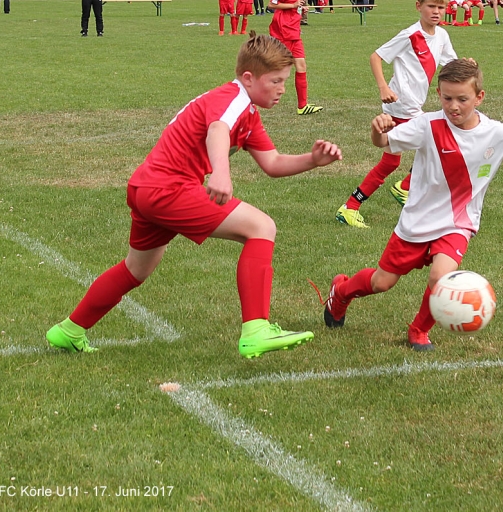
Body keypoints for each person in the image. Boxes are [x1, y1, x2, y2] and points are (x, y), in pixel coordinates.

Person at [46, 33, 342, 359]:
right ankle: (256, 329)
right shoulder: (233, 100)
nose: (283, 89)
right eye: (276, 81)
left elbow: (272, 163)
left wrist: (312, 160)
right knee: (262, 227)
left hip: (147, 188)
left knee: (136, 269)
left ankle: (69, 331)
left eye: (284, 81)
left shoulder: (247, 113)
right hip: (168, 188)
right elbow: (217, 130)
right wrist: (221, 172)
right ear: (248, 78)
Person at [322, 58, 503, 351]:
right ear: (438, 94)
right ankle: (341, 291)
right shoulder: (427, 125)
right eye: (447, 98)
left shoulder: (496, 133)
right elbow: (383, 143)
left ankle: (419, 330)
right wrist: (378, 130)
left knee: (441, 277)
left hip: (458, 222)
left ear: (479, 97)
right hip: (417, 221)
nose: (454, 106)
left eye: (462, 99)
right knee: (382, 283)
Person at [336, 0, 457, 229]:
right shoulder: (410, 35)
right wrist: (383, 87)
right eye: (431, 6)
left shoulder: (442, 36)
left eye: (441, 7)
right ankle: (372, 199)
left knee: (394, 161)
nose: (436, 12)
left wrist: (467, 65)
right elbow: (376, 57)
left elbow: (451, 64)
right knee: (439, 146)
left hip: (412, 107)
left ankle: (357, 204)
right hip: (401, 107)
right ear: (418, 6)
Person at [269, 0, 323, 115]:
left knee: (301, 66)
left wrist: (299, 9)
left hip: (294, 33)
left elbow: (291, 8)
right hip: (284, 33)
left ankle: (302, 106)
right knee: (276, 70)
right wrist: (293, 5)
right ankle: (252, 94)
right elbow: (272, 4)